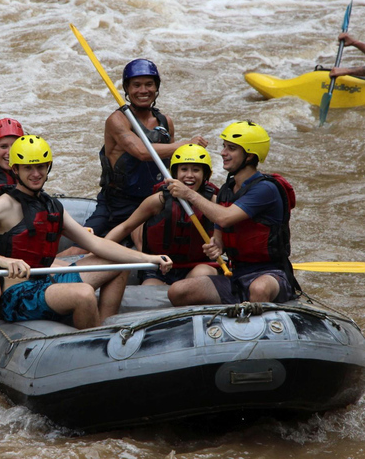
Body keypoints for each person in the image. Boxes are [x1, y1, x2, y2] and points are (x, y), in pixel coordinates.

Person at [0, 135, 172, 329]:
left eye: (41, 167)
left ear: (49, 167)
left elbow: (95, 243)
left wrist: (147, 258)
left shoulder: (51, 205)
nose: (36, 174)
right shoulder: (2, 205)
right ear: (15, 169)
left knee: (119, 263)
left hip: (48, 281)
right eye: (28, 168)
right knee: (83, 293)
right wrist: (2, 260)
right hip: (17, 296)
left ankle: (105, 327)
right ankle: (93, 343)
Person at [163, 121, 300, 306]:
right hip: (236, 276)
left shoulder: (265, 189)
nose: (223, 153)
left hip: (271, 274)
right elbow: (219, 237)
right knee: (178, 291)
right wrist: (216, 245)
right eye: (224, 147)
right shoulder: (227, 190)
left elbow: (224, 217)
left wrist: (188, 194)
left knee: (258, 289)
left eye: (231, 148)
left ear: (250, 156)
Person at [82, 59, 209, 241]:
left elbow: (173, 166)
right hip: (117, 203)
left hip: (152, 202)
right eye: (136, 85)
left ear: (156, 88)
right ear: (127, 89)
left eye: (149, 84)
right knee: (85, 244)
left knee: (146, 241)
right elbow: (142, 152)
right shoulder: (117, 120)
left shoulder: (165, 122)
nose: (143, 90)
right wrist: (186, 144)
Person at [104, 144, 219, 285]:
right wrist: (96, 251)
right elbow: (125, 228)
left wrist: (219, 247)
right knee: (149, 289)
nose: (189, 175)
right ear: (175, 173)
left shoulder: (213, 202)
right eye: (184, 169)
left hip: (196, 265)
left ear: (205, 174)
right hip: (159, 267)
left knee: (204, 274)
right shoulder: (158, 201)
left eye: (196, 170)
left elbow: (229, 232)